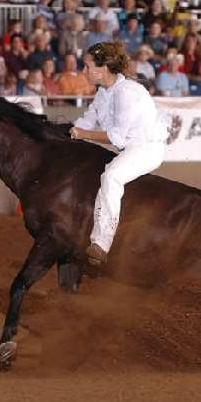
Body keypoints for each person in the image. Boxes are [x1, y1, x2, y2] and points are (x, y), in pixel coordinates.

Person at [69, 41, 168, 265]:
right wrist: (71, 133)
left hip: (147, 148)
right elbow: (88, 118)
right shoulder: (103, 92)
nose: (83, 71)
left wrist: (82, 134)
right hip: (130, 147)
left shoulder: (128, 92)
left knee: (111, 176)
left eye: (87, 66)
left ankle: (101, 243)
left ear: (102, 69)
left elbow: (117, 137)